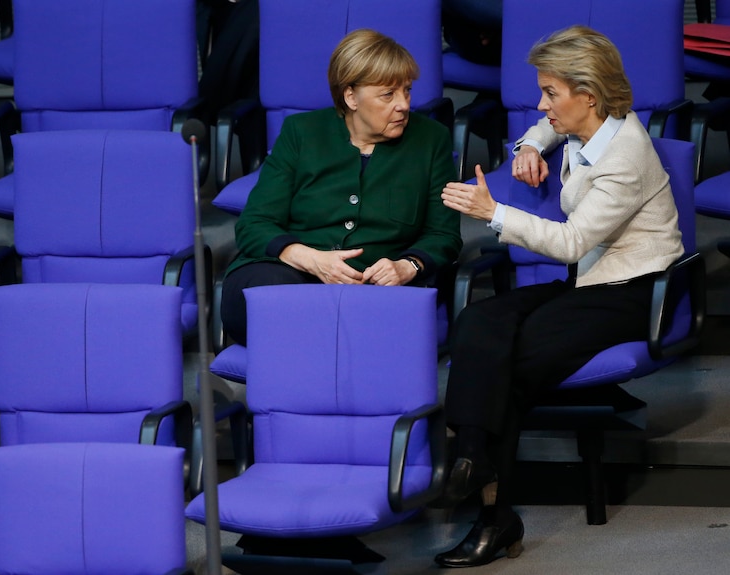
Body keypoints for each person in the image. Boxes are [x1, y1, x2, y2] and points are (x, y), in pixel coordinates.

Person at [436, 25, 684, 567]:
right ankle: (472, 458)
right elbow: (553, 128)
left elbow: (571, 242)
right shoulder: (596, 119)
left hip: (629, 289)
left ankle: (494, 519)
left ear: (587, 95)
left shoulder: (627, 156)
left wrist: (493, 213)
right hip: (590, 278)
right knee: (480, 321)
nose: (540, 103)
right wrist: (528, 144)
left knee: (512, 365)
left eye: (550, 93)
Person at [220, 28, 462, 346]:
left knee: (351, 318)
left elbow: (443, 234)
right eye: (388, 95)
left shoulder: (431, 140)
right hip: (293, 271)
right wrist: (309, 258)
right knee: (272, 298)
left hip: (371, 286)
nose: (403, 105)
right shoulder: (301, 133)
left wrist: (407, 266)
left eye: (407, 91)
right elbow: (254, 224)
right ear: (351, 97)